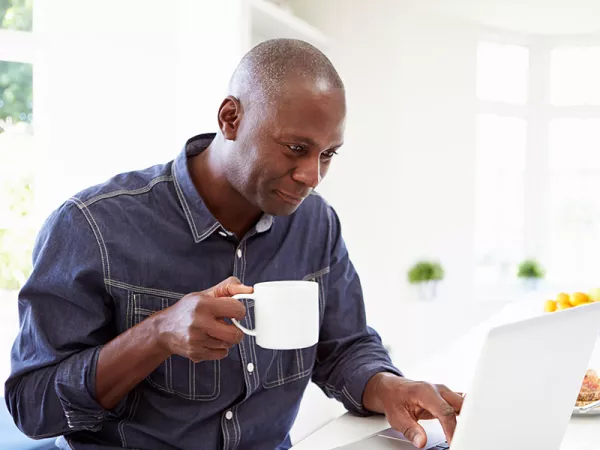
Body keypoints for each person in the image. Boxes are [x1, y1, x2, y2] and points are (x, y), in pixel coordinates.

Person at [5, 39, 463, 450]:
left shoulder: (316, 224)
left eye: (328, 154)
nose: (313, 176)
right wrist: (156, 335)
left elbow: (343, 347)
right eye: (296, 149)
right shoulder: (93, 226)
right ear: (231, 118)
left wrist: (386, 386)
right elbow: (31, 405)